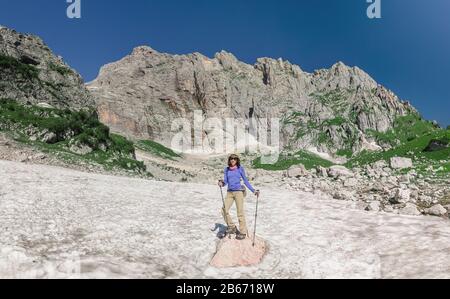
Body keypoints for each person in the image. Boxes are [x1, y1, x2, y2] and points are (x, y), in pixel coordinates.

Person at [218, 154, 260, 240]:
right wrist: (222, 183)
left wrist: (253, 190)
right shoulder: (227, 169)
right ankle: (232, 227)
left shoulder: (240, 169)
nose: (233, 160)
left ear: (237, 160)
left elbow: (245, 181)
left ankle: (243, 232)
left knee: (240, 212)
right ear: (229, 160)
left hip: (238, 192)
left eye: (234, 159)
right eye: (231, 159)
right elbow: (226, 181)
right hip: (229, 193)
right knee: (223, 210)